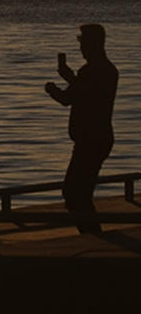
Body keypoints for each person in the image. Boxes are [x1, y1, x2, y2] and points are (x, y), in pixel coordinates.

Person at [45, 23, 119, 233]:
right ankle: (91, 231)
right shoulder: (108, 70)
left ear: (93, 44)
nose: (81, 48)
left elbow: (68, 98)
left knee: (74, 191)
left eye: (83, 43)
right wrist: (70, 77)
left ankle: (91, 233)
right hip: (99, 138)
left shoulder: (90, 71)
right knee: (80, 190)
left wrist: (51, 89)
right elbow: (85, 93)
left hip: (90, 140)